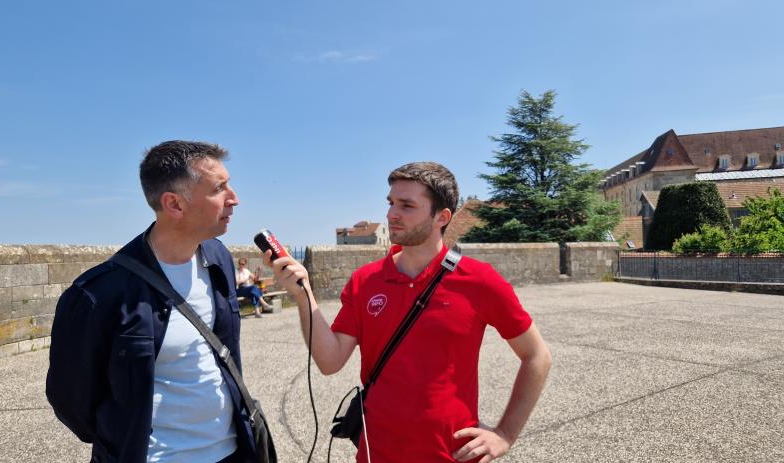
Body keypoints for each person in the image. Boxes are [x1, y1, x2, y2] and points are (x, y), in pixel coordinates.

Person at [266, 161, 552, 462]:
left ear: (441, 217)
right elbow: (330, 360)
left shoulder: (479, 280)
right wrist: (304, 297)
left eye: (406, 205)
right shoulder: (366, 281)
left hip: (451, 455)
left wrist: (505, 433)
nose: (392, 214)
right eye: (391, 203)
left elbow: (537, 356)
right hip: (377, 454)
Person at [46, 140, 257, 463]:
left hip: (231, 453)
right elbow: (73, 402)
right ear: (174, 205)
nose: (234, 198)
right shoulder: (98, 294)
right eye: (220, 188)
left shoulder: (218, 260)